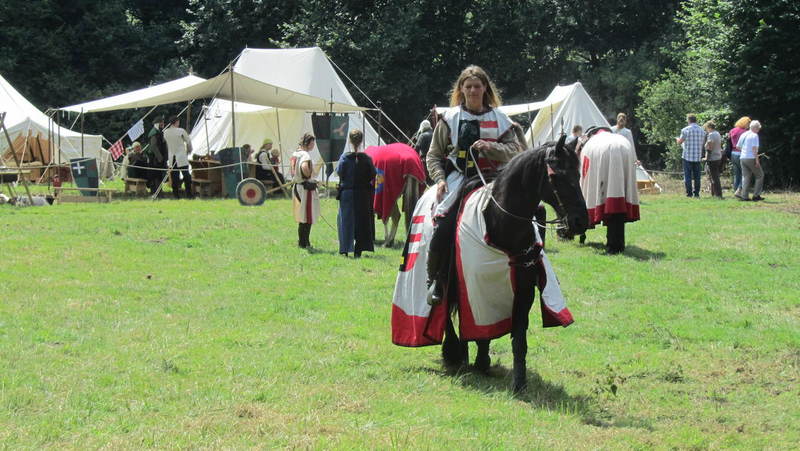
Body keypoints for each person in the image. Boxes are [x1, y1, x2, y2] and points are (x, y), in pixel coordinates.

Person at [425, 65, 525, 305]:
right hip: (461, 178)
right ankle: (436, 279)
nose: (472, 91)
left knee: (530, 217)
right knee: (445, 224)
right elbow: (433, 155)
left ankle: (537, 274)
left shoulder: (500, 119)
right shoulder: (449, 119)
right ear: (461, 88)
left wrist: (492, 147)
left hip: (495, 179)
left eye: (477, 86)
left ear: (485, 88)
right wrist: (440, 179)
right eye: (468, 86)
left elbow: (517, 149)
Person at [335, 129, 376, 257]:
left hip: (347, 193)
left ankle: (345, 249)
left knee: (346, 221)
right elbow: (372, 174)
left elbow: (339, 172)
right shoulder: (367, 159)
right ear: (361, 141)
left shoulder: (344, 158)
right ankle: (359, 249)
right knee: (362, 222)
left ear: (349, 140)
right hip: (363, 194)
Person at [291, 133, 320, 248]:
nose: (313, 145)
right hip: (305, 188)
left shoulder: (295, 153)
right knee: (307, 216)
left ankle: (302, 242)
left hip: (297, 186)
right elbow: (304, 167)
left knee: (302, 216)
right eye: (312, 143)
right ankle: (304, 242)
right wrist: (309, 176)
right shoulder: (305, 155)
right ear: (307, 143)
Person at [163, 115, 194, 199]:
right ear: (176, 122)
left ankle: (175, 195)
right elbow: (188, 141)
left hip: (172, 157)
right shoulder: (181, 131)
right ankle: (189, 194)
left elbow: (167, 143)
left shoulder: (166, 132)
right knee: (186, 176)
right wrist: (189, 150)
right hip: (181, 156)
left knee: (174, 177)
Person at [676, 114, 707, 198]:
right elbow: (702, 143)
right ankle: (696, 193)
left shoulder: (685, 130)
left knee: (688, 176)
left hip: (687, 156)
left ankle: (689, 193)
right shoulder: (702, 130)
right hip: (697, 156)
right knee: (697, 177)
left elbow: (680, 142)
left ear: (689, 120)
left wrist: (677, 139)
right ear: (695, 120)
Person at [738, 120, 764, 201]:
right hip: (751, 157)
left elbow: (738, 146)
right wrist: (757, 160)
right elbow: (754, 149)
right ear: (755, 128)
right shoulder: (754, 135)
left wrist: (745, 151)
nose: (758, 130)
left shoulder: (744, 134)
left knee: (746, 177)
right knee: (760, 175)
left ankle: (744, 196)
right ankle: (756, 195)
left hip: (742, 157)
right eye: (758, 128)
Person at [729, 116, 751, 198]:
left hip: (733, 153)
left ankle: (735, 190)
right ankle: (739, 190)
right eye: (748, 123)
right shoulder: (745, 132)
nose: (749, 125)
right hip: (741, 153)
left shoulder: (732, 130)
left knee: (736, 174)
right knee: (745, 174)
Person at [145, 116, 167, 194]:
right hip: (154, 158)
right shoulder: (154, 133)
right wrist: (160, 157)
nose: (163, 124)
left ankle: (158, 191)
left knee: (159, 174)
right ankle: (155, 191)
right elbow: (154, 146)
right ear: (158, 123)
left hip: (158, 158)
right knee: (155, 175)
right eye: (162, 122)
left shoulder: (159, 131)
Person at [704, 121, 724, 198]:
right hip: (718, 156)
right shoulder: (717, 133)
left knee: (714, 177)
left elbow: (710, 147)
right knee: (715, 176)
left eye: (706, 128)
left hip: (713, 158)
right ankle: (714, 194)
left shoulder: (711, 134)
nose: (706, 130)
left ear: (709, 127)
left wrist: (706, 158)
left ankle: (718, 194)